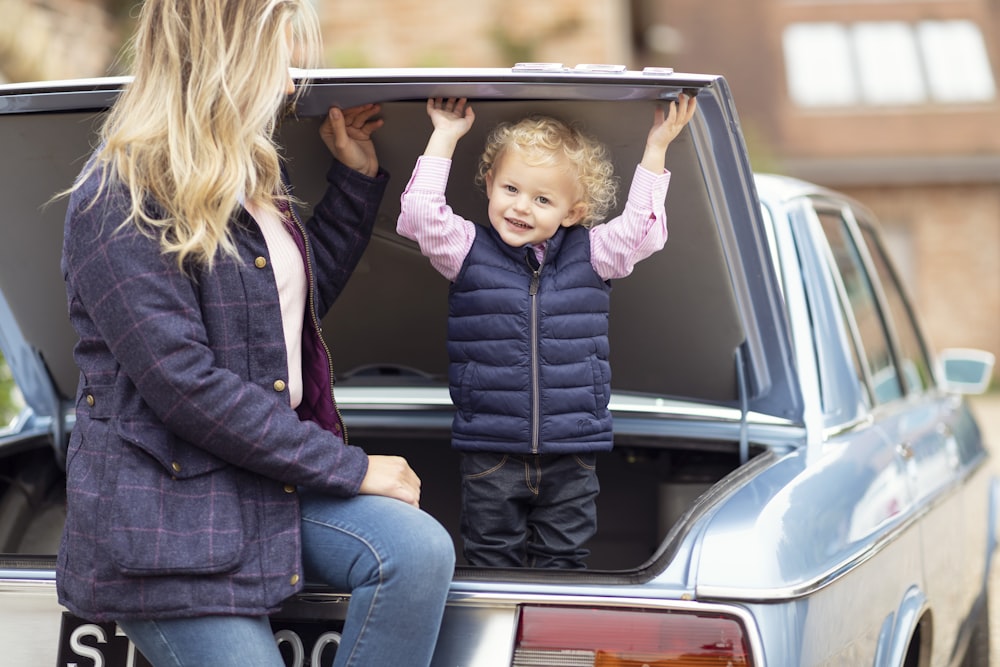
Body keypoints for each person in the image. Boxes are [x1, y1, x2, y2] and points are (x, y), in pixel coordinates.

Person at [56, 2, 454, 666]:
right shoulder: (116, 195)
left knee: (418, 550)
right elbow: (187, 387)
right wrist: (355, 469)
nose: (295, 78)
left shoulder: (251, 169)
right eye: (281, 51)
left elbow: (275, 315)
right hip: (167, 518)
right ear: (227, 54)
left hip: (261, 480)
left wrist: (356, 182)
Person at [397, 96, 697, 569]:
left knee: (563, 561)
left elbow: (644, 230)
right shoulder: (466, 249)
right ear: (490, 184)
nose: (521, 207)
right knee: (490, 560)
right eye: (511, 188)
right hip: (491, 450)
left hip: (571, 452)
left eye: (542, 199)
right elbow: (419, 214)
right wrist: (445, 135)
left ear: (572, 213)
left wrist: (656, 148)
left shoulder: (595, 253)